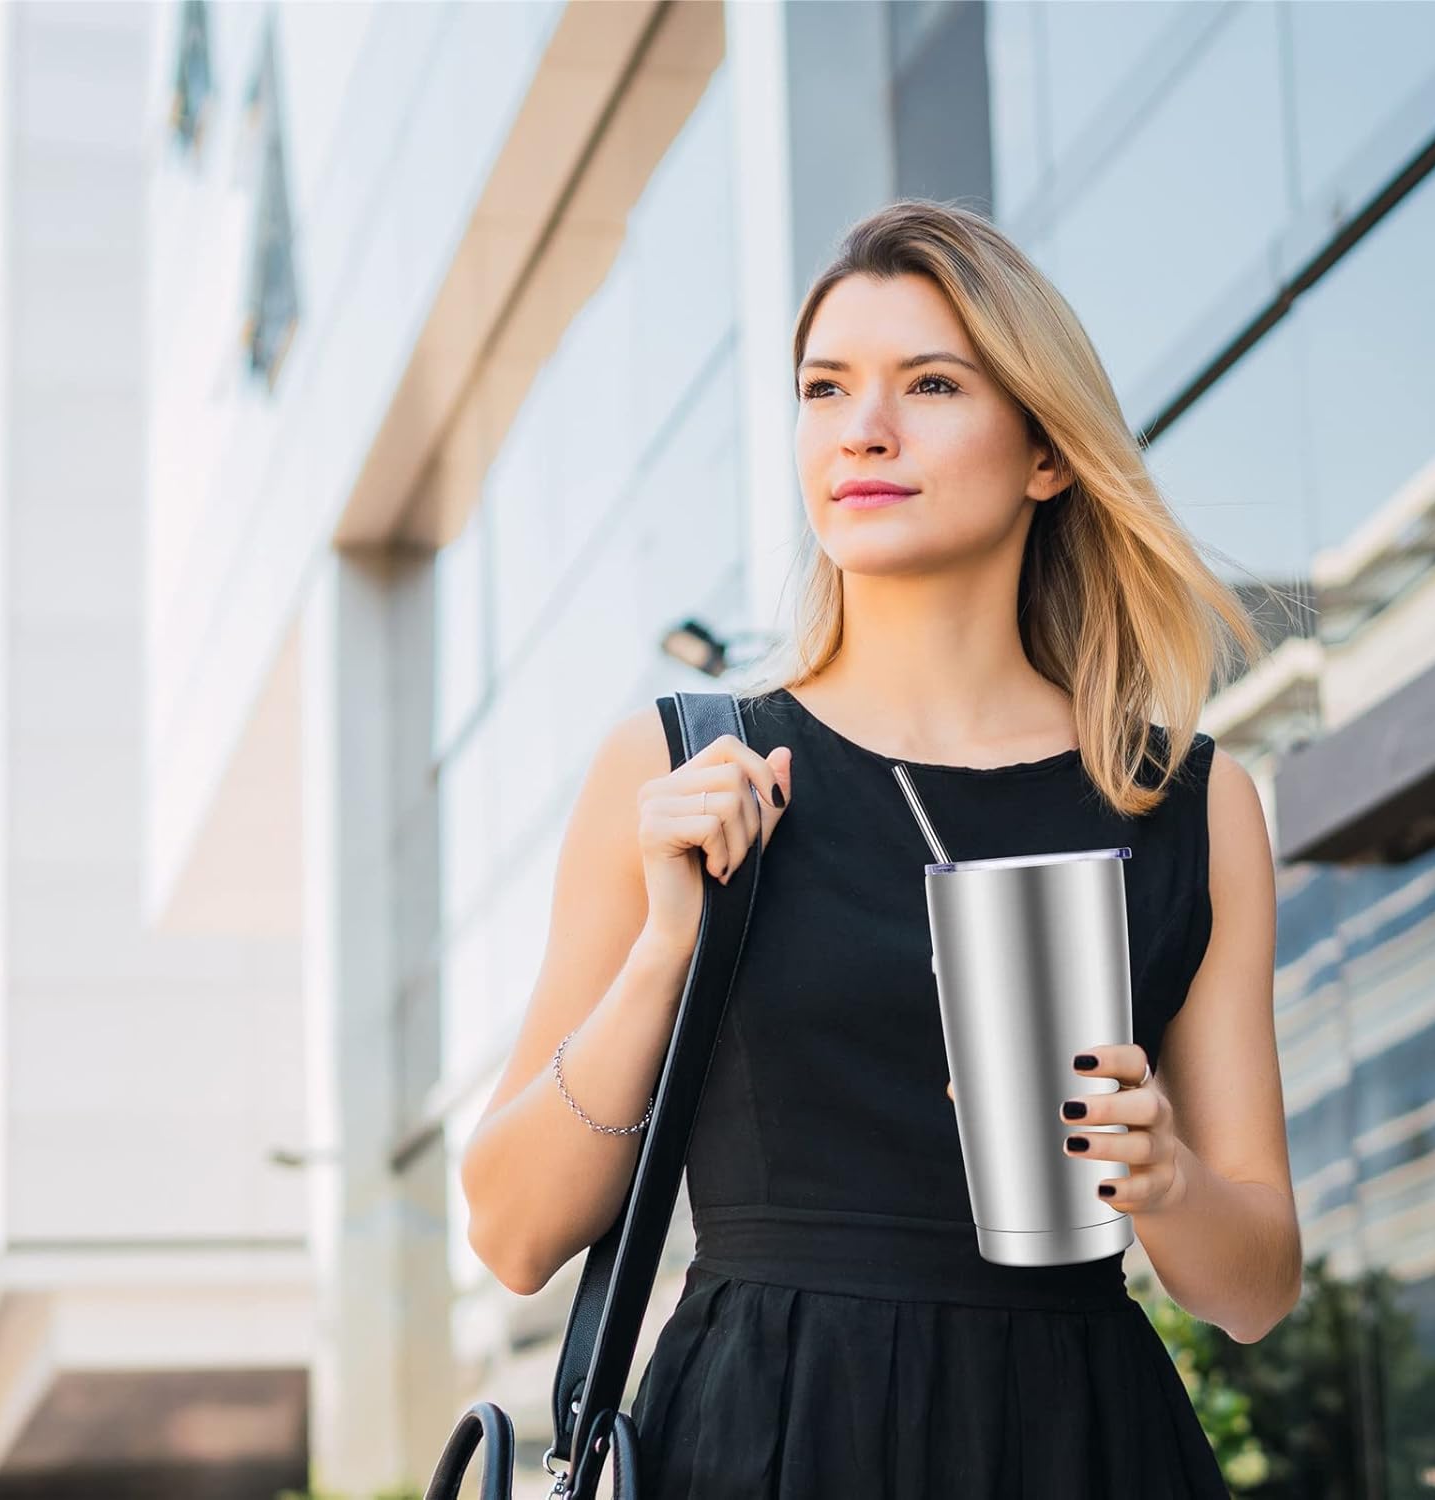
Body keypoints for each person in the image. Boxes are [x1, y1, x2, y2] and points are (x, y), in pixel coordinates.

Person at [460, 199, 1303, 1497]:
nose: (863, 428)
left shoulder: (1188, 803)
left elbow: (1254, 1289)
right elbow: (512, 1235)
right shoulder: (686, 764)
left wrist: (1164, 1173)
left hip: (1079, 1445)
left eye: (930, 383)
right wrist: (667, 950)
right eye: (825, 387)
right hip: (765, 1444)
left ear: (1045, 453)